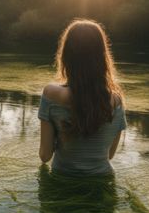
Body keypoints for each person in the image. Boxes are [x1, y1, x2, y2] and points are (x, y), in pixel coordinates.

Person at [38, 19, 126, 176]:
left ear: (66, 56)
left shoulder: (51, 94)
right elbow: (109, 155)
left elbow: (45, 156)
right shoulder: (116, 100)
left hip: (62, 181)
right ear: (102, 57)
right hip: (102, 182)